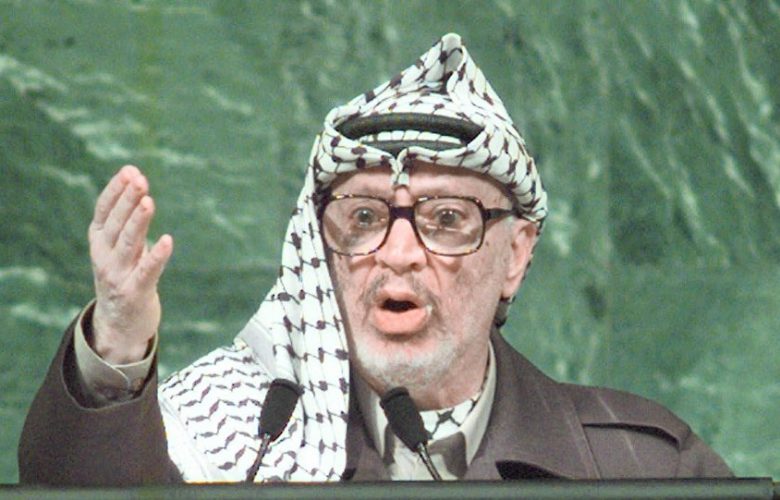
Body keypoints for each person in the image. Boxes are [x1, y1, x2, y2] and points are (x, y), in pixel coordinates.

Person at [19, 33, 732, 485]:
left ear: (515, 255)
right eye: (363, 218)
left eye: (446, 219)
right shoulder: (235, 443)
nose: (397, 252)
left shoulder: (641, 466)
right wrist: (116, 345)